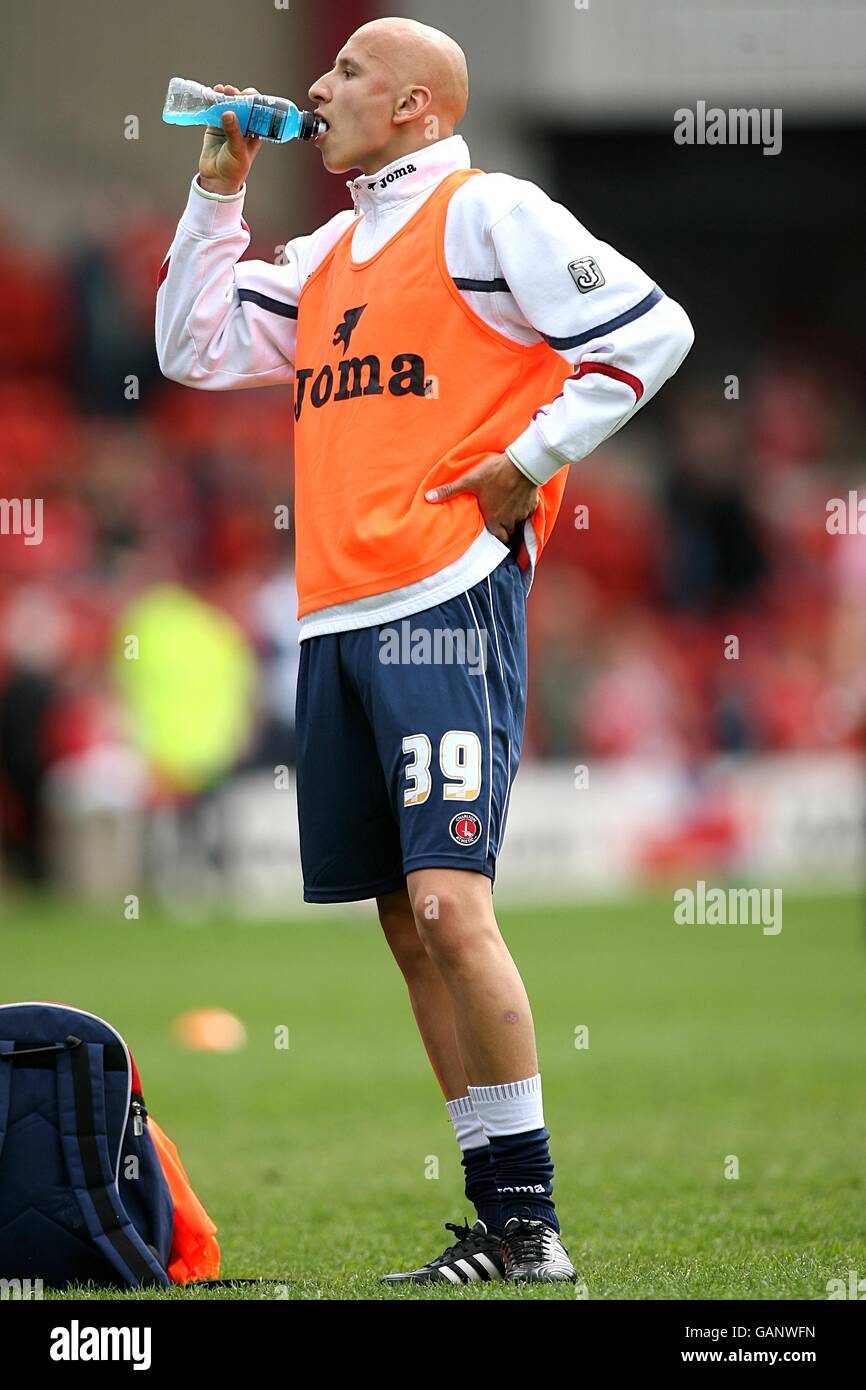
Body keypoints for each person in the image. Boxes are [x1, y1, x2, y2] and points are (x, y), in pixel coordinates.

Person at [156, 15, 694, 1285]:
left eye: (344, 71)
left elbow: (646, 330)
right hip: (334, 611)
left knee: (452, 903)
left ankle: (532, 1224)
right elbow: (192, 343)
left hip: (443, 597)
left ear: (412, 106)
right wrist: (215, 188)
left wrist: (527, 459)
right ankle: (497, 1219)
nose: (314, 85)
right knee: (405, 918)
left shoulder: (487, 209)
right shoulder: (334, 243)